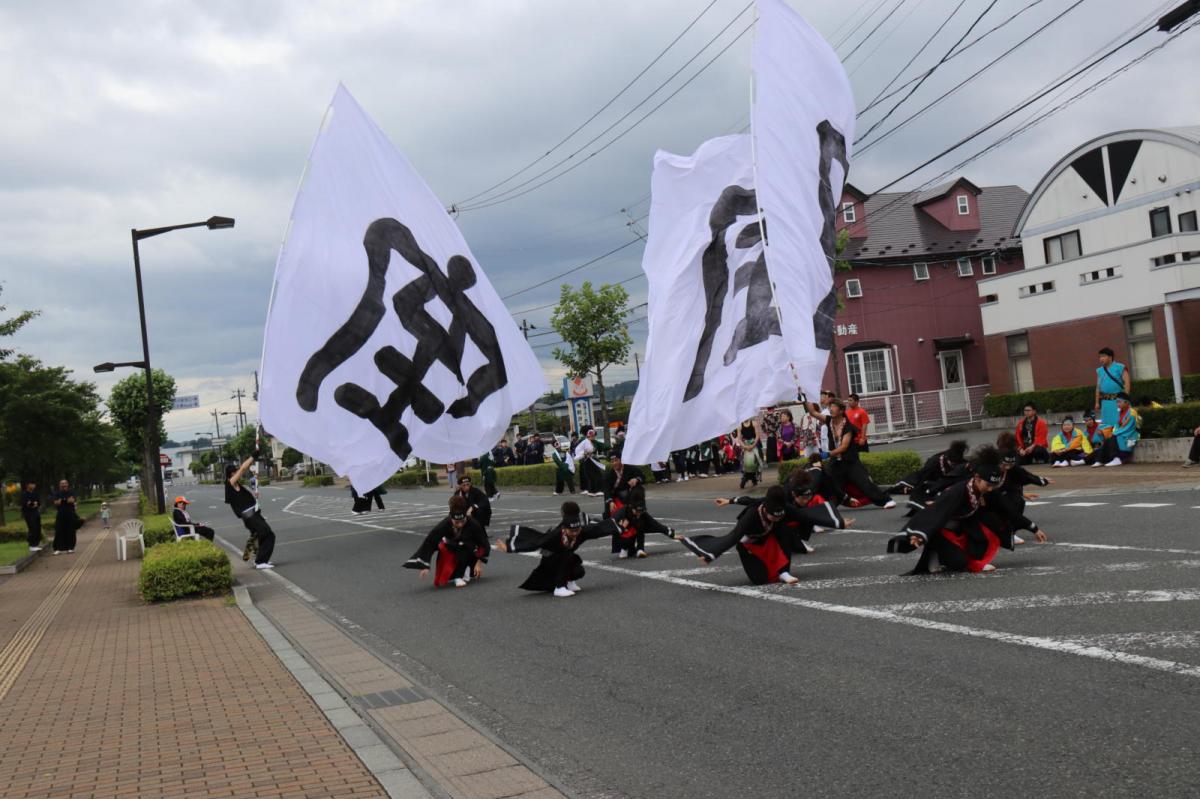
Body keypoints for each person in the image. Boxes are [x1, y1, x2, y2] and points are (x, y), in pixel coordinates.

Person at [888, 447, 1047, 575]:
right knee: (958, 563)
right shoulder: (958, 491)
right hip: (941, 530)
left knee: (994, 524)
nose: (991, 489)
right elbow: (935, 513)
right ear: (977, 478)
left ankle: (967, 557)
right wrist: (920, 535)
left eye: (994, 486)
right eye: (988, 485)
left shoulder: (989, 491)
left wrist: (1033, 527)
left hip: (964, 527)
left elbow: (1008, 510)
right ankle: (936, 553)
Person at [680, 486, 821, 585]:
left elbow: (805, 516)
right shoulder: (751, 516)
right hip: (749, 543)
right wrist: (711, 555)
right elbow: (734, 536)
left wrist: (837, 521)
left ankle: (784, 572)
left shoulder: (782, 507)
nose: (777, 518)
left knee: (783, 529)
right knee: (760, 580)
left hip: (768, 537)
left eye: (780, 515)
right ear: (765, 508)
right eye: (773, 516)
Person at [494, 501, 617, 597]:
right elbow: (536, 542)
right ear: (565, 528)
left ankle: (568, 582)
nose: (575, 533)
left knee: (579, 570)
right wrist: (510, 547)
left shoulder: (580, 530)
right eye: (571, 531)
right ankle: (559, 587)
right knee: (566, 556)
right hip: (550, 564)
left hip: (564, 562)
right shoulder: (556, 535)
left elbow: (598, 530)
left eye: (577, 530)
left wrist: (619, 526)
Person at [812, 399, 895, 509]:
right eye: (829, 406)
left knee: (864, 483)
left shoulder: (848, 427)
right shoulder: (829, 421)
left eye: (833, 406)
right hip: (835, 463)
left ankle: (886, 500)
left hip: (850, 462)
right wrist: (804, 399)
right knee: (829, 483)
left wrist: (828, 454)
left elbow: (844, 447)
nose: (830, 409)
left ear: (841, 410)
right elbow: (813, 413)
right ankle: (825, 508)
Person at [402, 495, 489, 588]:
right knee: (446, 548)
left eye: (462, 521)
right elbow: (430, 541)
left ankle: (466, 569)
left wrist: (479, 563)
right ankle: (457, 576)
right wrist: (424, 565)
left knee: (468, 549)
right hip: (451, 549)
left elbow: (483, 543)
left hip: (469, 549)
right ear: (451, 518)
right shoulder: (444, 524)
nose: (460, 524)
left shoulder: (473, 524)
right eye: (456, 522)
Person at [225, 454, 277, 569]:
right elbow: (243, 468)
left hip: (253, 514)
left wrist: (255, 494)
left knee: (262, 535)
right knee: (269, 535)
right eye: (235, 471)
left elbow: (245, 498)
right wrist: (254, 456)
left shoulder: (237, 485)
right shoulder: (230, 483)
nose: (238, 472)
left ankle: (258, 557)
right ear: (231, 473)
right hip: (250, 517)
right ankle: (260, 561)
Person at [889, 440, 969, 514]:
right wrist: (912, 486)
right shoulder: (935, 461)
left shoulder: (962, 463)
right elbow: (922, 476)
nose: (953, 465)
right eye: (952, 463)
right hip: (932, 486)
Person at [609, 486, 677, 559]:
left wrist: (671, 533)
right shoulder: (622, 512)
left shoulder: (642, 514)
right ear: (632, 507)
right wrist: (622, 527)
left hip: (635, 532)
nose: (639, 513)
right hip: (623, 537)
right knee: (628, 531)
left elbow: (656, 524)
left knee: (640, 524)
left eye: (641, 511)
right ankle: (624, 548)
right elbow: (612, 525)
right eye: (637, 511)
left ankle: (640, 549)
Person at [1090, 393, 1139, 467]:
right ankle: (1100, 460)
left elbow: (1128, 427)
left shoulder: (1132, 413)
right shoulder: (1121, 412)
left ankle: (1117, 458)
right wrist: (1113, 432)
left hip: (1129, 436)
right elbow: (1117, 425)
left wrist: (1115, 433)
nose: (1117, 404)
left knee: (1113, 437)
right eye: (1117, 402)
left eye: (1119, 402)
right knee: (1108, 439)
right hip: (1122, 434)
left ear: (1126, 402)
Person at [1095, 347, 1131, 427]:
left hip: (1118, 401)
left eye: (1103, 356)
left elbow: (1127, 383)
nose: (1101, 359)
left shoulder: (1120, 367)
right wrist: (1097, 402)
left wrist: (1125, 399)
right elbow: (1098, 387)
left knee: (1119, 422)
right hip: (1105, 402)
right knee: (1106, 424)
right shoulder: (1099, 371)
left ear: (1110, 357)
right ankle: (1109, 438)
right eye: (1100, 357)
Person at [601, 450, 643, 518]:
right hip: (614, 495)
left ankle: (638, 511)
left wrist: (636, 479)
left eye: (616, 460)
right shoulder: (608, 474)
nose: (614, 463)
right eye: (612, 461)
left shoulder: (630, 469)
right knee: (608, 501)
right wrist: (610, 501)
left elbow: (641, 476)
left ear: (621, 460)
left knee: (638, 489)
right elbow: (607, 489)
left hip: (628, 493)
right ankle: (607, 518)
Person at [51, 479, 80, 554]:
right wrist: (65, 500)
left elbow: (72, 500)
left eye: (65, 483)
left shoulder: (71, 492)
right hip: (60, 513)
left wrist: (62, 501)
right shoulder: (57, 493)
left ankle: (70, 548)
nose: (63, 485)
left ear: (67, 484)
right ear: (59, 485)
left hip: (70, 513)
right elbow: (56, 502)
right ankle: (57, 548)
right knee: (59, 530)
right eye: (62, 483)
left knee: (71, 530)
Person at [574, 428, 603, 496]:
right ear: (588, 436)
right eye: (592, 436)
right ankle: (597, 490)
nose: (593, 437)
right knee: (596, 475)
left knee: (592, 476)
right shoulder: (586, 442)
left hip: (589, 461)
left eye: (593, 436)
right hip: (588, 461)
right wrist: (586, 453)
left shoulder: (587, 442)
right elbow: (587, 451)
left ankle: (592, 491)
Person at [737, 418, 763, 489]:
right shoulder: (739, 426)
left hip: (754, 444)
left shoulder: (754, 423)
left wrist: (753, 445)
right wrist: (744, 446)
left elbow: (757, 436)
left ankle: (756, 475)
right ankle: (745, 475)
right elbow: (739, 438)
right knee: (743, 462)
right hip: (745, 445)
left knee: (757, 460)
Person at [21, 481, 42, 552]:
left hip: (36, 513)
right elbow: (28, 504)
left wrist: (34, 503)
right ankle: (31, 545)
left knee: (37, 528)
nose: (33, 486)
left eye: (34, 484)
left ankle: (36, 544)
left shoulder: (35, 493)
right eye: (31, 484)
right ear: (27, 485)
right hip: (28, 514)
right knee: (32, 528)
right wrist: (33, 503)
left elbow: (38, 502)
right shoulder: (25, 494)